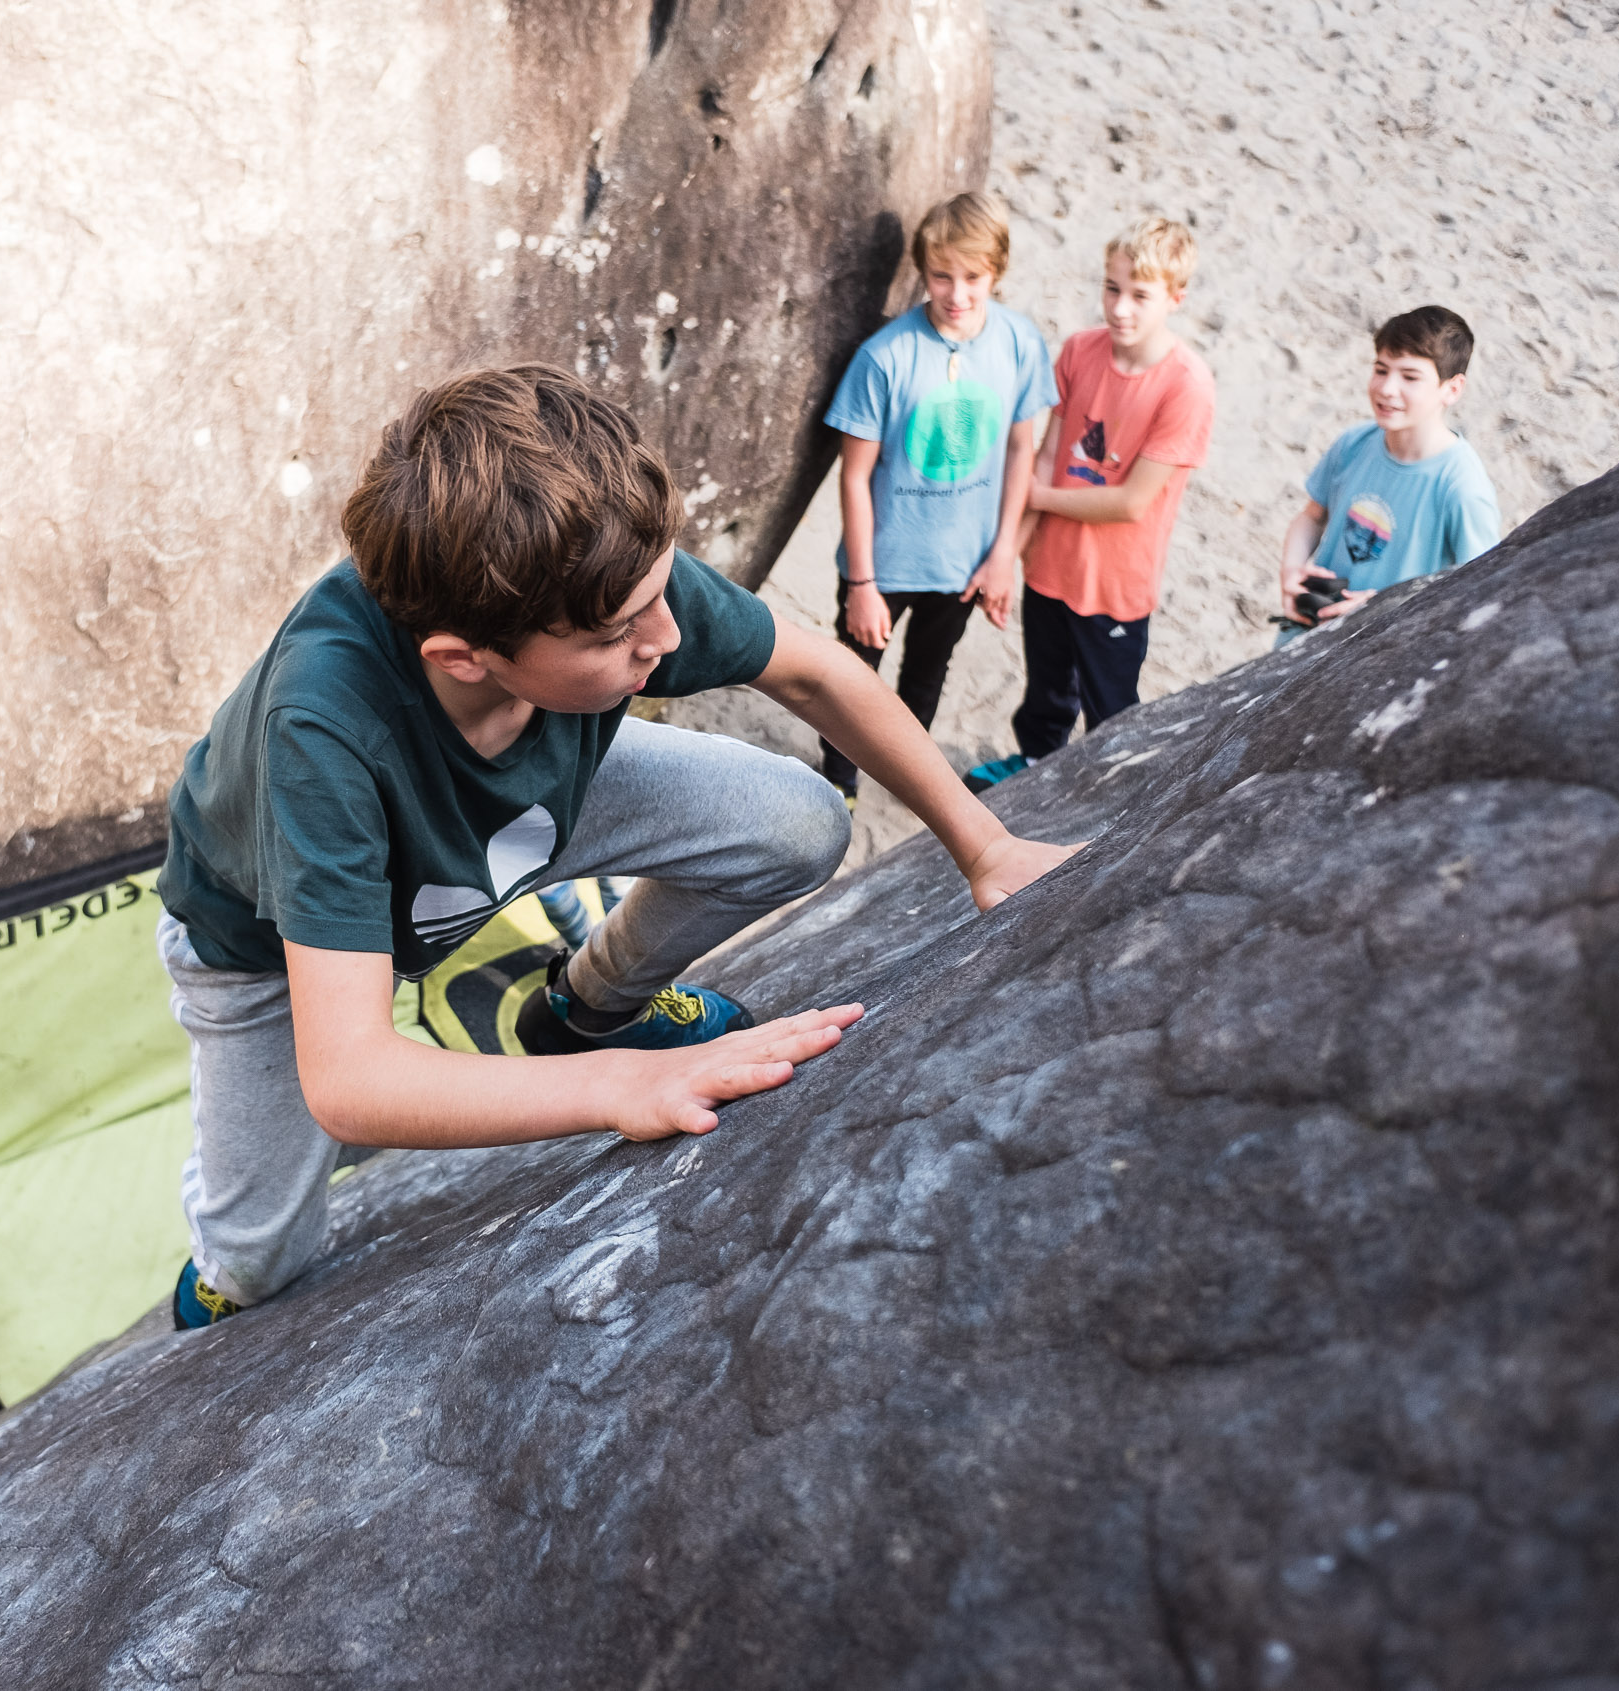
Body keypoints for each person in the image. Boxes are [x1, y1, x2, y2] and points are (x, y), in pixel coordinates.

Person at [155, 365, 1073, 1328]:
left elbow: (812, 676)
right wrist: (630, 1088)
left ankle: (588, 1008)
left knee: (799, 823)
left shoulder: (601, 574)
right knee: (260, 1261)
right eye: (620, 632)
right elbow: (349, 1078)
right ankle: (221, 1264)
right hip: (260, 946)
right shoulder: (326, 727)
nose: (667, 636)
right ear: (463, 656)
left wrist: (983, 845)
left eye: (659, 596)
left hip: (528, 802)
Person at [816, 191, 1054, 805]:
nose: (957, 293)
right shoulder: (884, 357)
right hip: (886, 560)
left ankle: (903, 774)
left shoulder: (1020, 343)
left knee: (926, 676)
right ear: (923, 270)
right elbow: (853, 475)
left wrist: (1004, 554)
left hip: (964, 561)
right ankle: (837, 783)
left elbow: (1022, 452)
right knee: (851, 681)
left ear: (996, 270)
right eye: (941, 275)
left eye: (973, 277)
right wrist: (864, 584)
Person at [965, 216, 1215, 787]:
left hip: (1115, 584)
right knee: (1046, 688)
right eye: (1112, 288)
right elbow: (1051, 450)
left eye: (1140, 295)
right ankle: (1032, 767)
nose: (1120, 308)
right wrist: (1009, 553)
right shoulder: (1079, 350)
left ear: (1175, 299)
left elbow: (1131, 501)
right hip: (1050, 565)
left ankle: (1105, 796)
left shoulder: (1187, 385)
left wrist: (1040, 495)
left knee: (1110, 707)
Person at [1276, 305, 1501, 640]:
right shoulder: (1354, 443)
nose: (1386, 388)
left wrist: (1381, 608)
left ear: (1452, 389)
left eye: (1410, 377)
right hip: (1305, 634)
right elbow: (1311, 516)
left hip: (1377, 653)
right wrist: (1292, 570)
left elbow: (1478, 593)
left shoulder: (1462, 486)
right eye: (1381, 370)